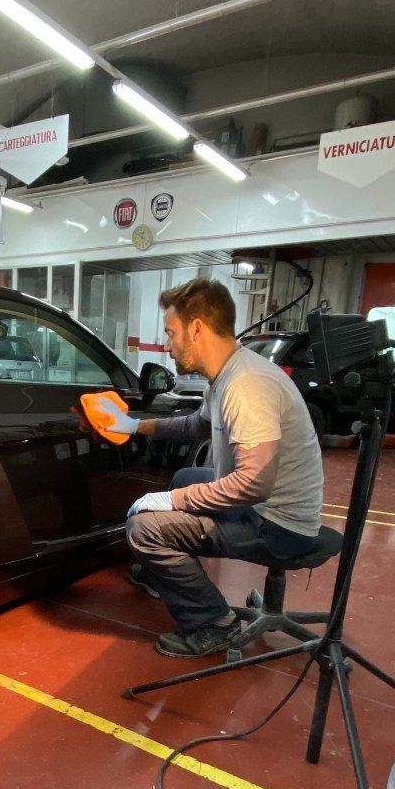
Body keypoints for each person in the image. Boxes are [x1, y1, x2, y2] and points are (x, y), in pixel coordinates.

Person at [100, 278, 324, 658]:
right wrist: (135, 425)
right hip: (268, 507)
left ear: (197, 328)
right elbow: (195, 426)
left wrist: (172, 500)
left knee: (144, 528)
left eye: (171, 334)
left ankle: (214, 624)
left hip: (277, 524)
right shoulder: (225, 376)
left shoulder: (246, 385)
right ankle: (170, 573)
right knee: (187, 476)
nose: (168, 346)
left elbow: (254, 484)